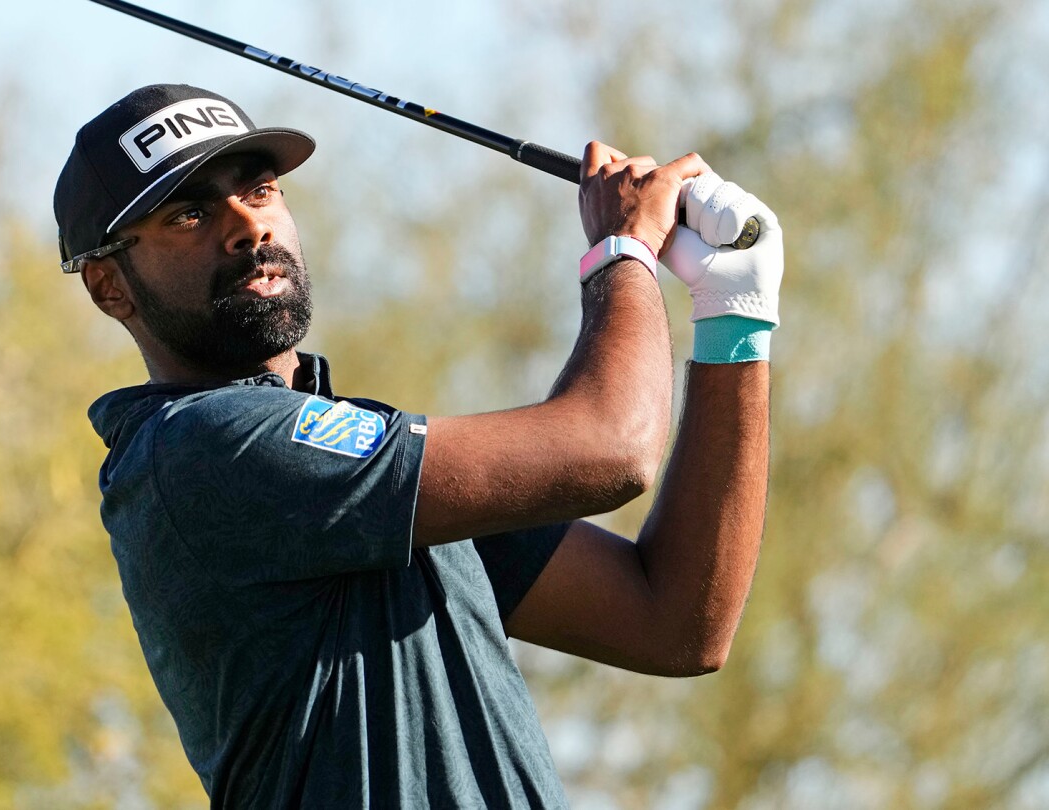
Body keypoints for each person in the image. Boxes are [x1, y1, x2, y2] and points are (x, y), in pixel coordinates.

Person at [54, 83, 782, 809]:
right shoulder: (202, 450)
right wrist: (623, 250)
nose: (249, 227)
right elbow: (611, 449)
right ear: (109, 286)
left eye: (261, 190)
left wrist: (734, 317)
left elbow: (675, 622)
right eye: (189, 214)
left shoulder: (357, 461)